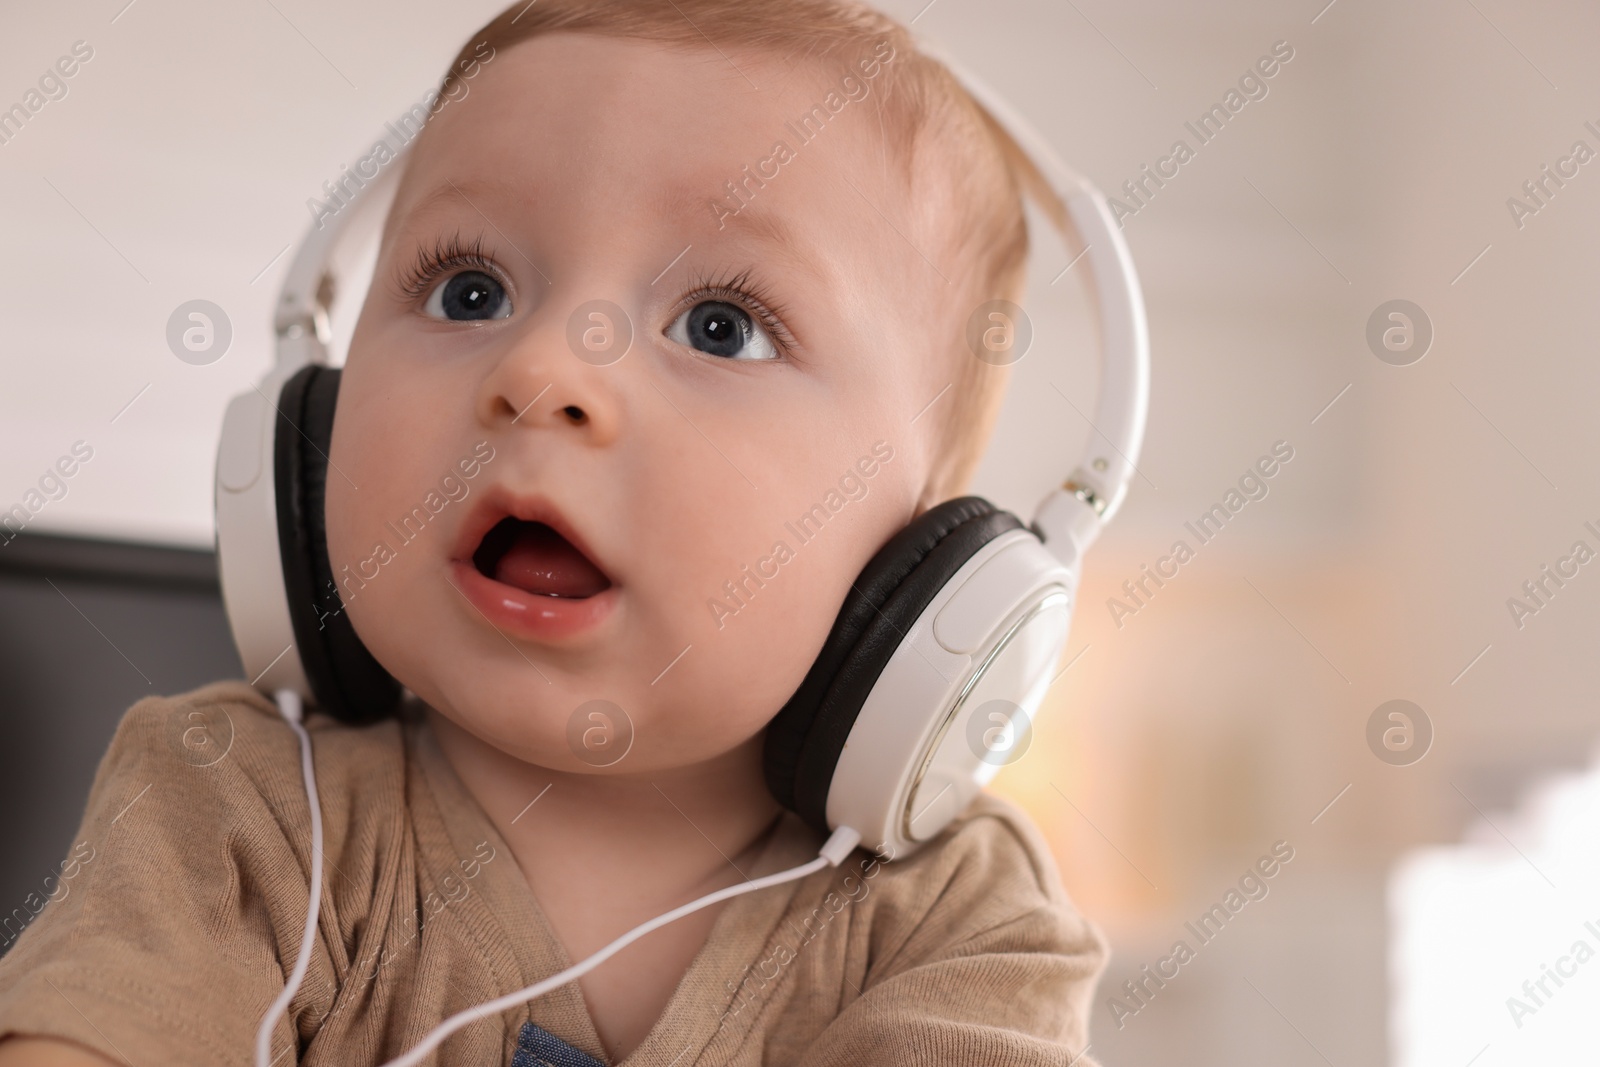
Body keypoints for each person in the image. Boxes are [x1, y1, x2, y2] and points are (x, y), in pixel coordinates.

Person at [0, 2, 1107, 1063]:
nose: (541, 373)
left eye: (720, 327)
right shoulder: (241, 805)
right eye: (468, 291)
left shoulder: (959, 922)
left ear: (928, 565)